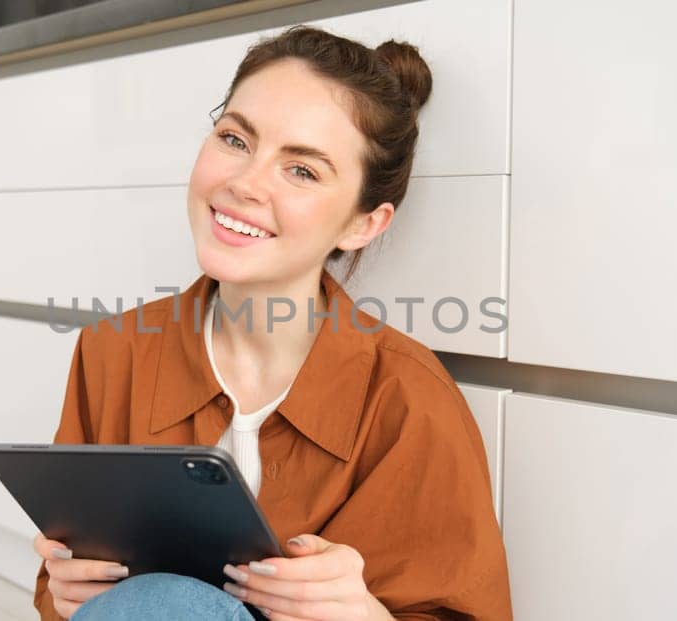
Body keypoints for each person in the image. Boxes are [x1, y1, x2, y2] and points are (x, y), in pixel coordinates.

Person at [30, 24, 511, 620]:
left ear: (364, 223)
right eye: (235, 139)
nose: (243, 183)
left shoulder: (411, 401)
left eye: (302, 170)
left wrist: (366, 617)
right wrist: (67, 590)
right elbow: (62, 581)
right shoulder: (111, 352)